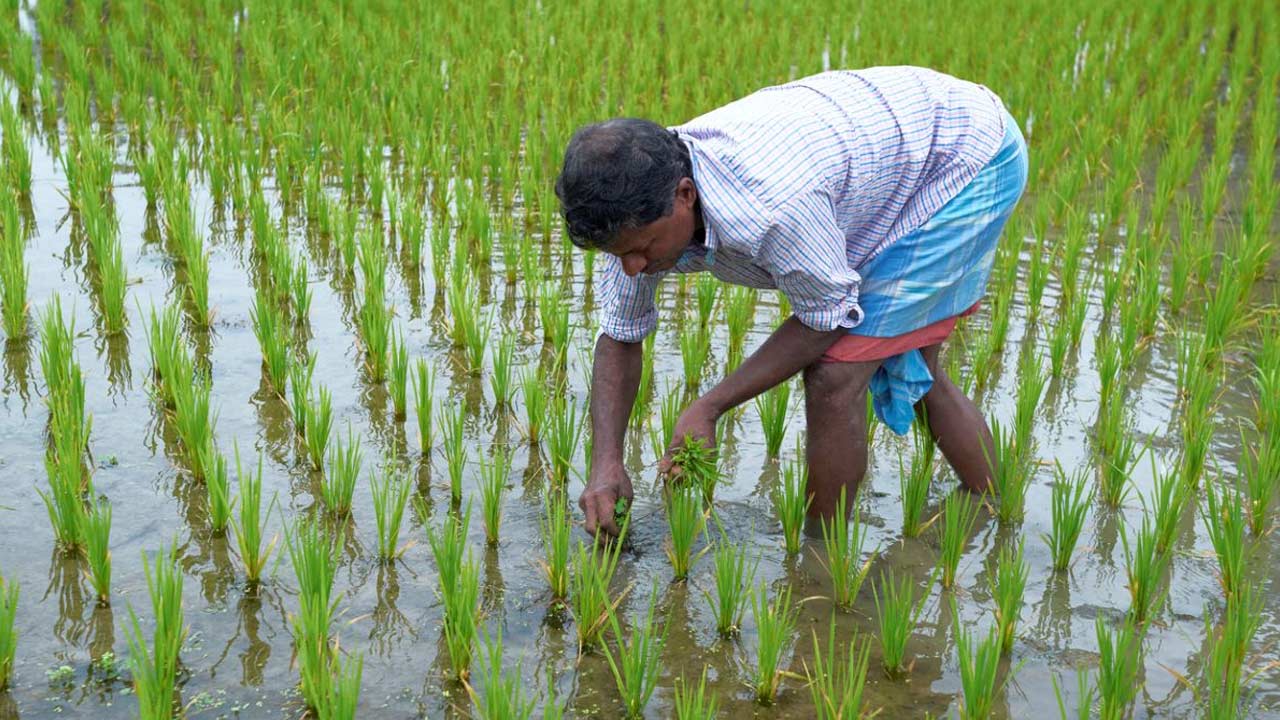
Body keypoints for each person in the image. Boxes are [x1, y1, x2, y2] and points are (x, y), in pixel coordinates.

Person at [555, 66, 1029, 538]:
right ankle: (996, 511)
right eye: (621, 254)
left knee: (836, 374)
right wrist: (606, 463)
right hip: (890, 158)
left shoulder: (770, 207)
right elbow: (619, 334)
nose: (633, 266)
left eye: (642, 249)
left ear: (685, 195)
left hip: (965, 159)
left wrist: (710, 406)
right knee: (903, 359)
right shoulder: (631, 217)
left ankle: (823, 563)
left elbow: (828, 316)